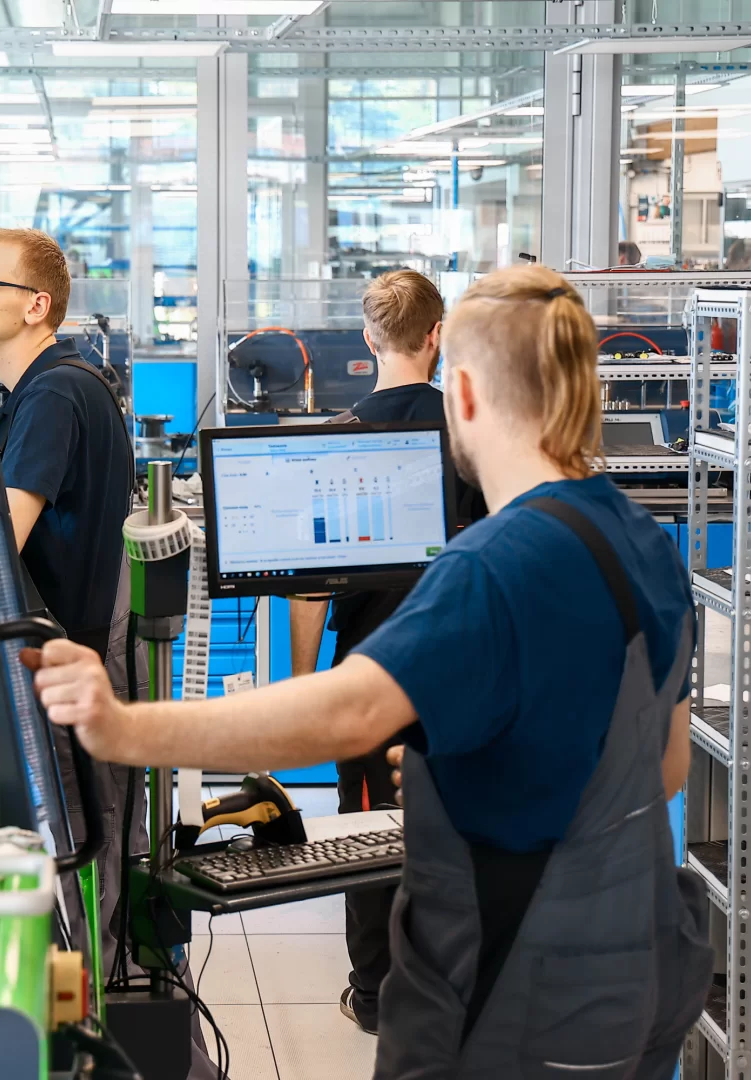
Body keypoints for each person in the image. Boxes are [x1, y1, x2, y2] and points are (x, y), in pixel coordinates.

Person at [28, 264, 713, 1077]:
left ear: (462, 392)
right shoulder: (638, 539)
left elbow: (346, 714)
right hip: (640, 965)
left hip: (514, 988)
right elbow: (664, 765)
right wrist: (475, 773)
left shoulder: (492, 564)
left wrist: (119, 725)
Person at [287, 269, 484, 1036]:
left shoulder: (337, 436)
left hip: (370, 671)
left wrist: (305, 689)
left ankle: (375, 992)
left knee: (366, 830)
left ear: (368, 340)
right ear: (437, 336)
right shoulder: (471, 432)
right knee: (464, 822)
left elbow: (311, 588)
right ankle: (461, 987)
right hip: (461, 668)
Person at [0, 226, 143, 981]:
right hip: (67, 657)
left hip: (67, 667)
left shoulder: (55, 393)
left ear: (36, 305)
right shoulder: (38, 389)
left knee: (75, 871)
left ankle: (83, 1013)